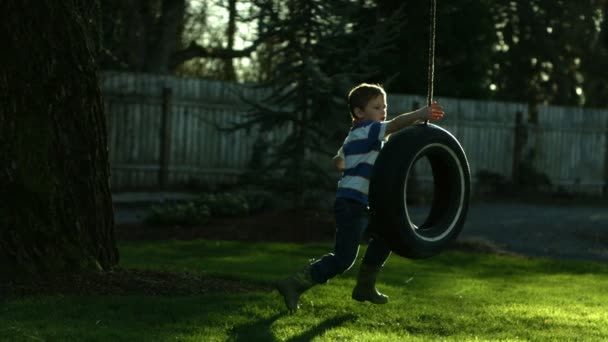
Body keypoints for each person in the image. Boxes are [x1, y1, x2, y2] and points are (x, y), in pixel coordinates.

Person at [276, 83, 445, 311]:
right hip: (352, 204)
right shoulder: (368, 129)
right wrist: (420, 114)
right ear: (359, 112)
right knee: (344, 259)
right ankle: (295, 283)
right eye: (377, 107)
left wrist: (349, 163)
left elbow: (338, 160)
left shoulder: (355, 135)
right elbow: (394, 125)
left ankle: (365, 286)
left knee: (388, 235)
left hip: (362, 202)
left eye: (384, 106)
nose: (383, 111)